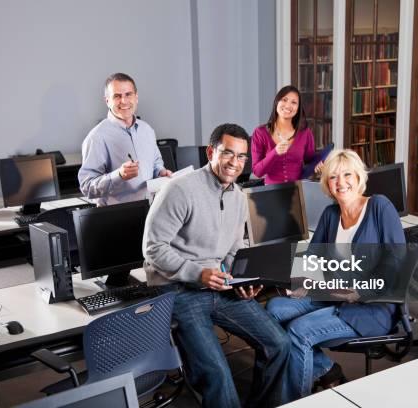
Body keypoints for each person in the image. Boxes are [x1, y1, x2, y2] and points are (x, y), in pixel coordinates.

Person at [143, 123, 290, 408]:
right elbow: (152, 249)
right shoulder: (180, 190)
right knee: (217, 373)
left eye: (241, 157)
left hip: (220, 284)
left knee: (279, 345)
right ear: (211, 152)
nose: (234, 163)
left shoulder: (238, 196)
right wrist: (198, 273)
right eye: (227, 154)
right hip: (178, 288)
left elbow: (235, 247)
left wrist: (244, 279)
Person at [266, 149, 406, 403]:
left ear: (359, 177)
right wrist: (300, 283)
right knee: (273, 310)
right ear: (327, 184)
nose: (341, 182)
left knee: (298, 332)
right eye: (333, 177)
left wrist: (360, 291)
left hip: (370, 307)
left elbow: (395, 264)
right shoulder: (331, 214)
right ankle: (323, 371)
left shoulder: (379, 207)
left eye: (347, 175)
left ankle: (290, 401)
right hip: (332, 293)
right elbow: (311, 257)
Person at [78, 72, 172, 206]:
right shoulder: (96, 137)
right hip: (117, 217)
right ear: (107, 101)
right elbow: (87, 187)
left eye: (128, 94)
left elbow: (156, 162)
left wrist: (161, 172)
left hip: (151, 209)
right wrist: (119, 176)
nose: (124, 101)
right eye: (117, 96)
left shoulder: (147, 130)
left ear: (136, 97)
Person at [251, 85, 319, 184]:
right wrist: (274, 153)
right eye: (284, 100)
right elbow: (257, 172)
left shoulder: (305, 132)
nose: (288, 105)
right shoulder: (260, 132)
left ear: (298, 108)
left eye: (294, 102)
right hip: (271, 191)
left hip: (298, 191)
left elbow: (310, 160)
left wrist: (319, 164)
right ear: (276, 102)